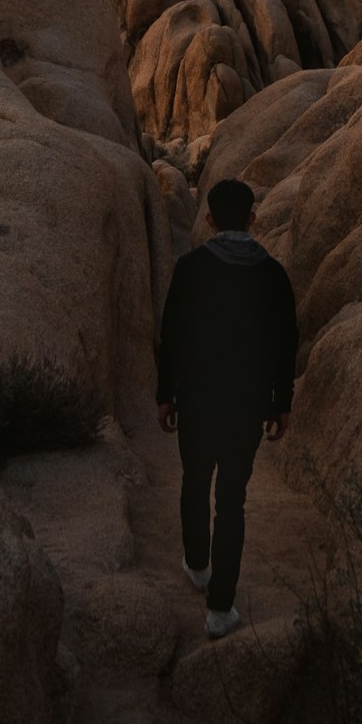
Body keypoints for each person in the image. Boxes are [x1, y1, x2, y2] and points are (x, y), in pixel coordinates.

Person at [156, 177, 299, 639]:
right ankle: (220, 609)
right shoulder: (272, 274)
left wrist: (166, 394)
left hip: (197, 398)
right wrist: (280, 403)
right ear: (253, 219)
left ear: (211, 219)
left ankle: (197, 564)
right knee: (231, 501)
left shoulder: (191, 268)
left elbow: (172, 335)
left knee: (195, 481)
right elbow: (284, 343)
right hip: (247, 403)